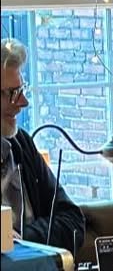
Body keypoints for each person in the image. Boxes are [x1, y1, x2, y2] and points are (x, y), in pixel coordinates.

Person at [0, 38, 85, 254]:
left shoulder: (21, 144)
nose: (23, 102)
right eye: (12, 93)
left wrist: (22, 239)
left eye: (22, 90)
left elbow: (73, 221)